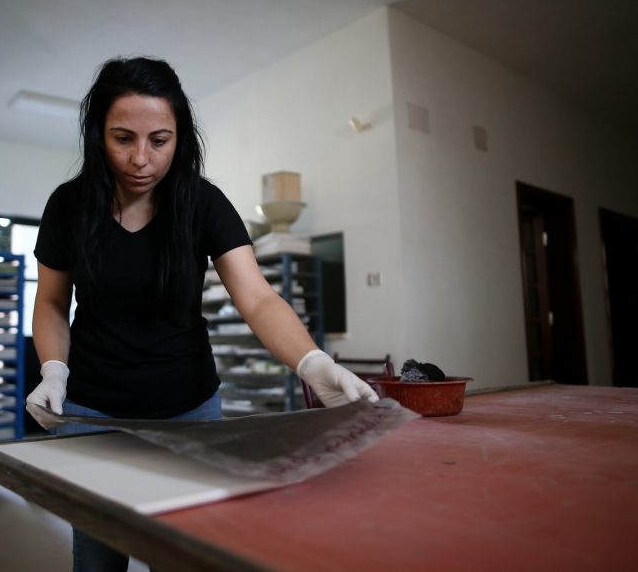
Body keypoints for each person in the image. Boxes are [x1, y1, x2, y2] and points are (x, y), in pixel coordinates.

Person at [25, 56, 377, 572]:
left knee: (185, 555)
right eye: (123, 139)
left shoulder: (203, 203)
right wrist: (54, 370)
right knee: (98, 560)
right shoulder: (68, 206)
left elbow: (257, 298)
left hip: (189, 413)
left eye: (159, 141)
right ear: (98, 134)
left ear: (180, 138)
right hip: (92, 414)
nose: (140, 159)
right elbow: (52, 302)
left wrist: (313, 362)